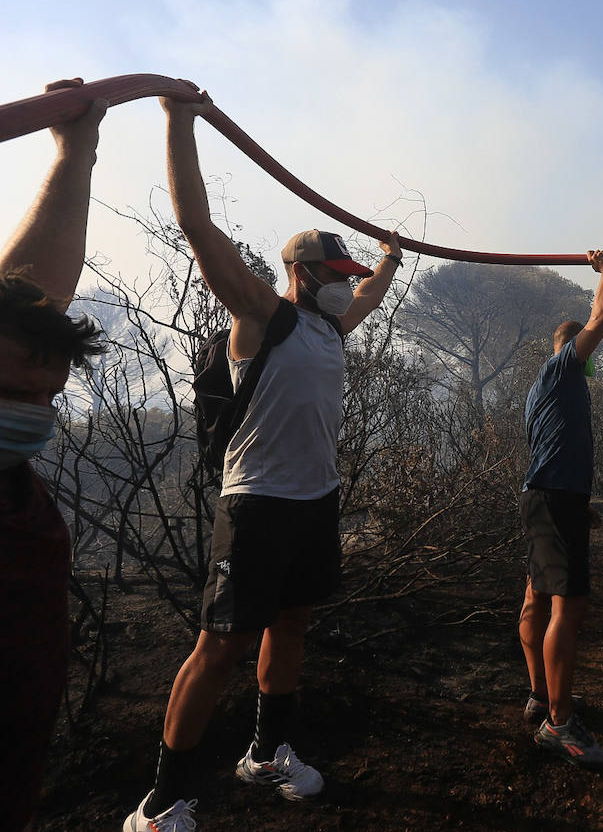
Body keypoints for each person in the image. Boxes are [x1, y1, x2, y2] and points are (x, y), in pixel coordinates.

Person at [124, 90, 405, 832]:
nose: (346, 281)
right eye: (334, 270)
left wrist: (388, 258)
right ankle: (161, 801)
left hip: (315, 502)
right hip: (255, 503)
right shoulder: (263, 316)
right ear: (301, 272)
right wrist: (178, 122)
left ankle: (266, 751)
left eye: (348, 272)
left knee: (292, 625)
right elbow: (195, 226)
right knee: (219, 646)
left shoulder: (331, 328)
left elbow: (373, 289)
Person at [0, 79, 106, 832]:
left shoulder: (16, 488)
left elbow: (37, 290)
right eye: (10, 392)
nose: (29, 416)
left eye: (45, 398)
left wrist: (76, 154)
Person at [517, 249, 603, 769]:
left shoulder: (548, 389)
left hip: (552, 499)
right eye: (590, 349)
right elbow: (601, 317)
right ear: (576, 347)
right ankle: (559, 723)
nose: (595, 357)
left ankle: (540, 694)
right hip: (552, 501)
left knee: (537, 598)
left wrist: (580, 507)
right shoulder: (561, 371)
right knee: (566, 607)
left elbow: (555, 449)